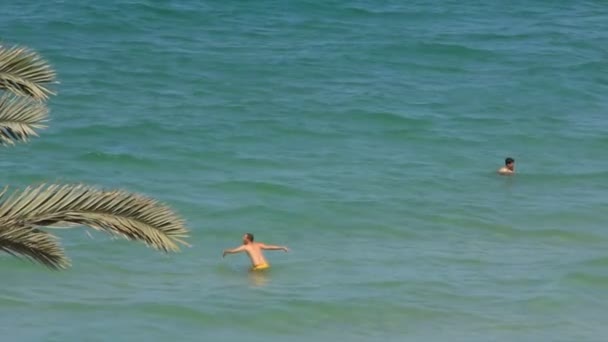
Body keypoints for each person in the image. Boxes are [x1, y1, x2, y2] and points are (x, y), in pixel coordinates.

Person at [222, 233, 288, 271]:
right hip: (266, 265)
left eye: (244, 238)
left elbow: (234, 251)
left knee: (254, 284)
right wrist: (282, 247)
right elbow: (270, 247)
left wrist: (226, 251)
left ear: (248, 239)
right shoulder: (258, 244)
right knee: (249, 271)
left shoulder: (245, 246)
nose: (242, 239)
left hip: (258, 268)